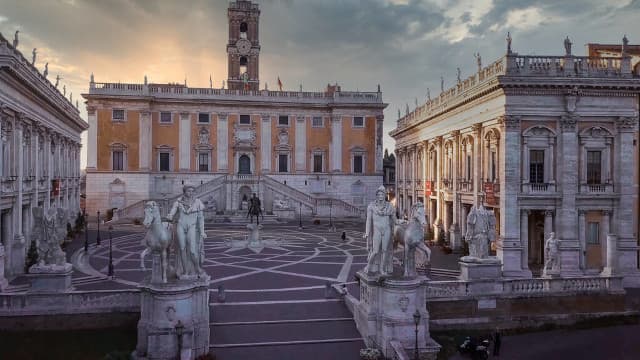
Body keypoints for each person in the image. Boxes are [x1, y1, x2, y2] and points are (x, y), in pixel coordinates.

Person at [167, 184, 206, 278]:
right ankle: (185, 271)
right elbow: (172, 211)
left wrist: (202, 231)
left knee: (192, 250)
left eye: (192, 191)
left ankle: (197, 268)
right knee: (182, 249)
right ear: (184, 192)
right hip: (181, 226)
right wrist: (170, 215)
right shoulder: (178, 202)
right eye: (189, 191)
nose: (191, 193)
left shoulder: (198, 202)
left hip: (192, 226)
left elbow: (201, 219)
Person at [363, 186, 396, 276]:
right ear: (377, 196)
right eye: (379, 194)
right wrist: (367, 232)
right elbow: (368, 221)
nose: (381, 196)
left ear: (385, 195)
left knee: (385, 250)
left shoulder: (390, 206)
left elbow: (394, 220)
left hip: (387, 230)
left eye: (382, 194)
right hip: (377, 229)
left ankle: (382, 269)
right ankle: (368, 266)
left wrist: (403, 222)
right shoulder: (372, 206)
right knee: (375, 251)